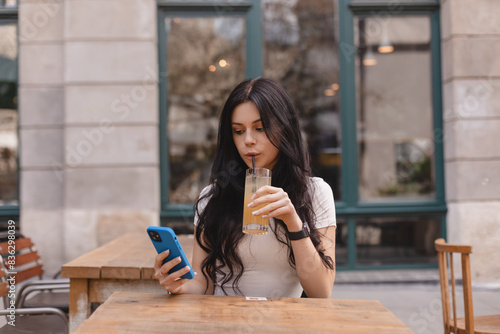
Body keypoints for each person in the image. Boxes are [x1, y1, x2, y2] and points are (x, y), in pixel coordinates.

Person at [154, 78, 336, 298]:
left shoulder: (314, 193)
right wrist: (179, 286)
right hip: (224, 323)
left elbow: (321, 291)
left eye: (260, 128)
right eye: (238, 131)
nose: (248, 140)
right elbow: (203, 285)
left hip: (285, 324)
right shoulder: (212, 198)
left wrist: (293, 222)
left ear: (285, 129)